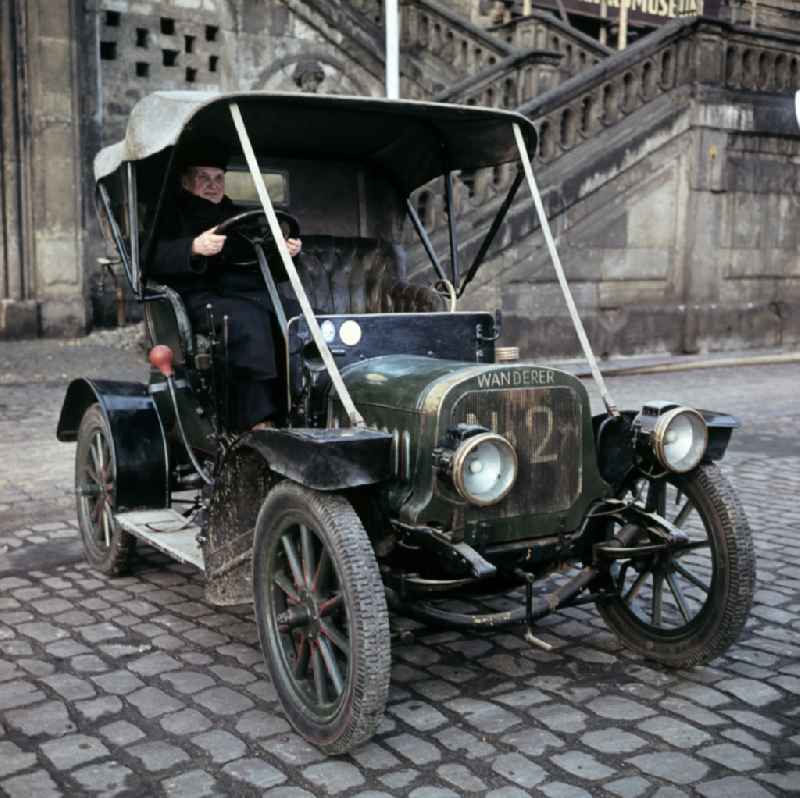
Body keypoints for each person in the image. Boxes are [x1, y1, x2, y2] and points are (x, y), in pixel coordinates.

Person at [150, 144, 302, 431]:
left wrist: (287, 252)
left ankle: (307, 407)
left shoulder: (236, 214)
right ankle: (258, 421)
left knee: (302, 319)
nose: (212, 185)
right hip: (200, 298)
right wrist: (193, 247)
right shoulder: (168, 213)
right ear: (185, 181)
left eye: (218, 178)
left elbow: (267, 266)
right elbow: (152, 258)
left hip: (252, 294)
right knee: (247, 322)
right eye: (203, 178)